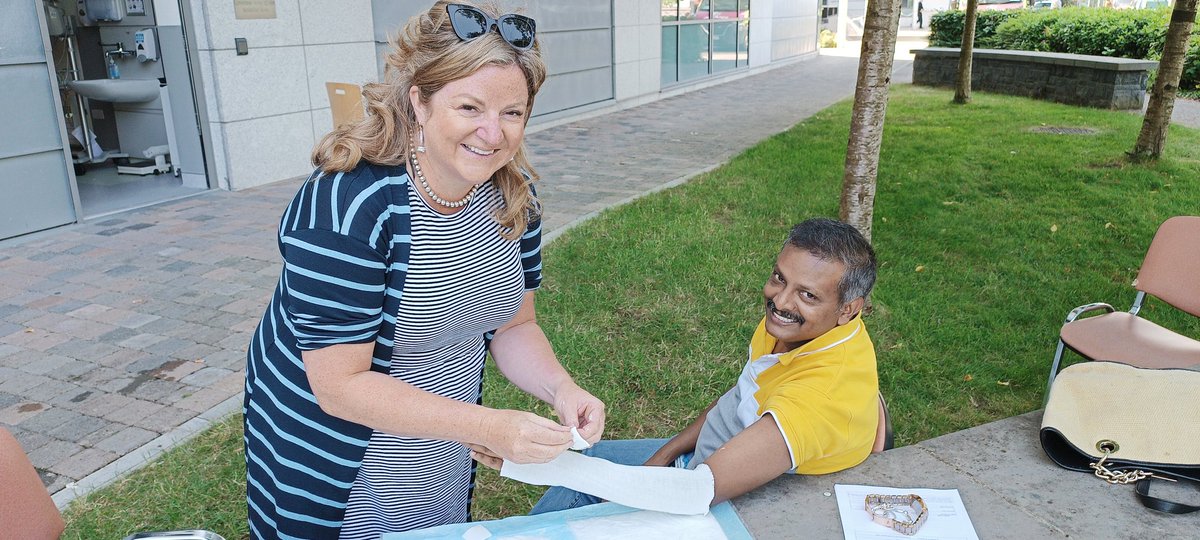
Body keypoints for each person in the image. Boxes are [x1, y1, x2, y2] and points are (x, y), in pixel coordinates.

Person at [242, 2, 605, 538]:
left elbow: (514, 325)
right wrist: (488, 426)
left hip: (440, 433)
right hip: (335, 448)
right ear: (420, 100)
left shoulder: (513, 199)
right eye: (470, 107)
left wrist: (560, 389)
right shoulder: (347, 208)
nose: (493, 134)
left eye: (513, 112)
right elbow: (340, 386)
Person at [515, 218, 879, 513]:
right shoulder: (803, 328)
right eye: (780, 278)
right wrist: (665, 454)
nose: (780, 301)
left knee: (581, 483)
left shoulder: (819, 393)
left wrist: (534, 463)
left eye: (807, 295)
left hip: (725, 495)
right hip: (707, 460)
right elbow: (742, 396)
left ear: (849, 308)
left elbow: (694, 492)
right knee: (587, 469)